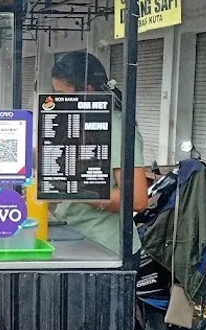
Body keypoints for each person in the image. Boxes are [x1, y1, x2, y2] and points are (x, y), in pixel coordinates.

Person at [50, 51, 149, 256]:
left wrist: (71, 189)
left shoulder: (118, 128)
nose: (59, 101)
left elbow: (137, 200)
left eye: (64, 94)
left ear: (87, 91)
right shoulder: (74, 122)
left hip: (106, 249)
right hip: (73, 236)